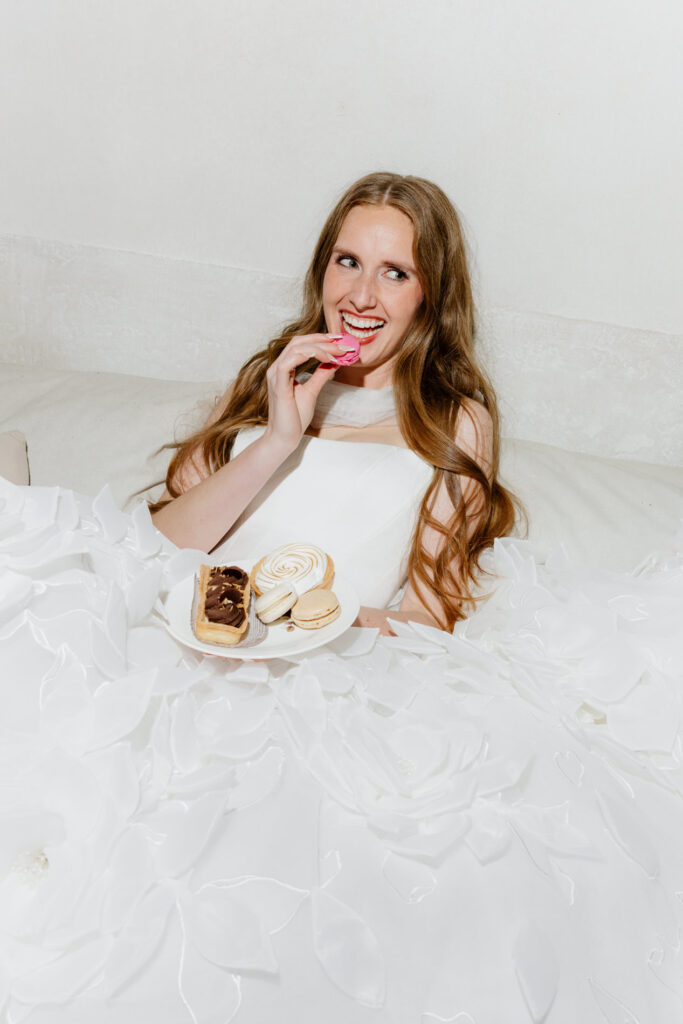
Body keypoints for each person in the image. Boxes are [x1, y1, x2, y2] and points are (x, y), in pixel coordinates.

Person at [150, 172, 516, 634]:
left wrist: (293, 626)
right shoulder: (266, 379)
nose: (361, 297)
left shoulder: (455, 421)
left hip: (325, 668)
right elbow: (152, 551)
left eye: (396, 273)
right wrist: (277, 442)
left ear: (431, 297)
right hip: (183, 636)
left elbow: (429, 618)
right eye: (348, 262)